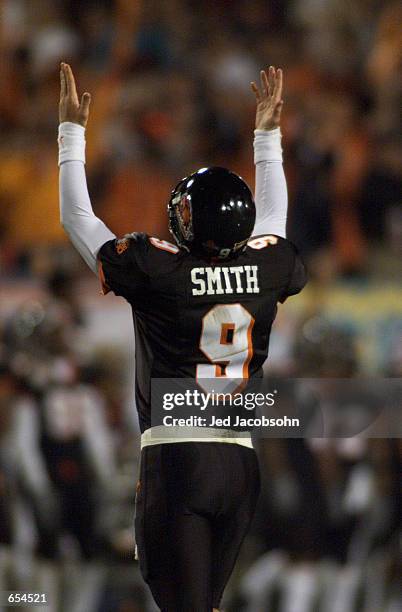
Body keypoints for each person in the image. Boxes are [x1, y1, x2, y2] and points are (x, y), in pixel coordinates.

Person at [58, 61, 306, 611]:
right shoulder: (269, 266)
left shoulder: (159, 271)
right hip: (240, 464)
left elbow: (78, 218)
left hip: (178, 460)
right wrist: (267, 138)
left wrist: (69, 132)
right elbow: (274, 221)